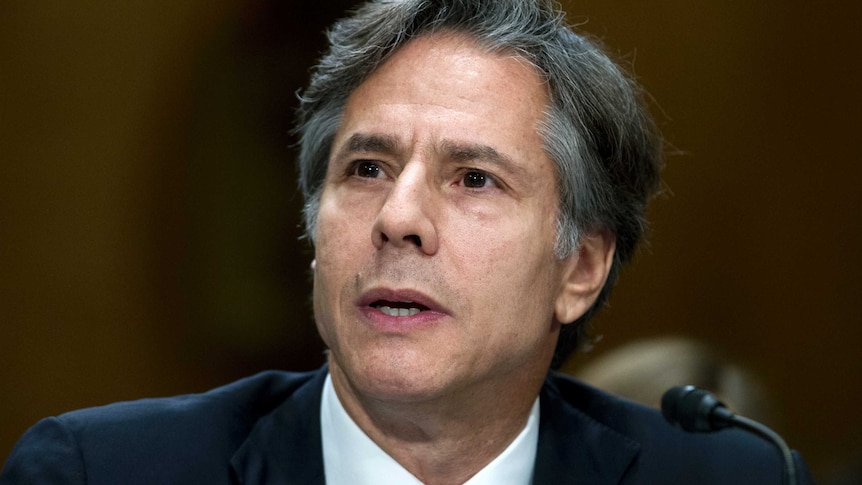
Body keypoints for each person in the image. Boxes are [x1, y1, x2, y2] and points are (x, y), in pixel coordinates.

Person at [1, 1, 815, 483]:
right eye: (365, 167)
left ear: (581, 266)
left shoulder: (726, 477)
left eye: (472, 179)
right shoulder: (97, 472)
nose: (399, 216)